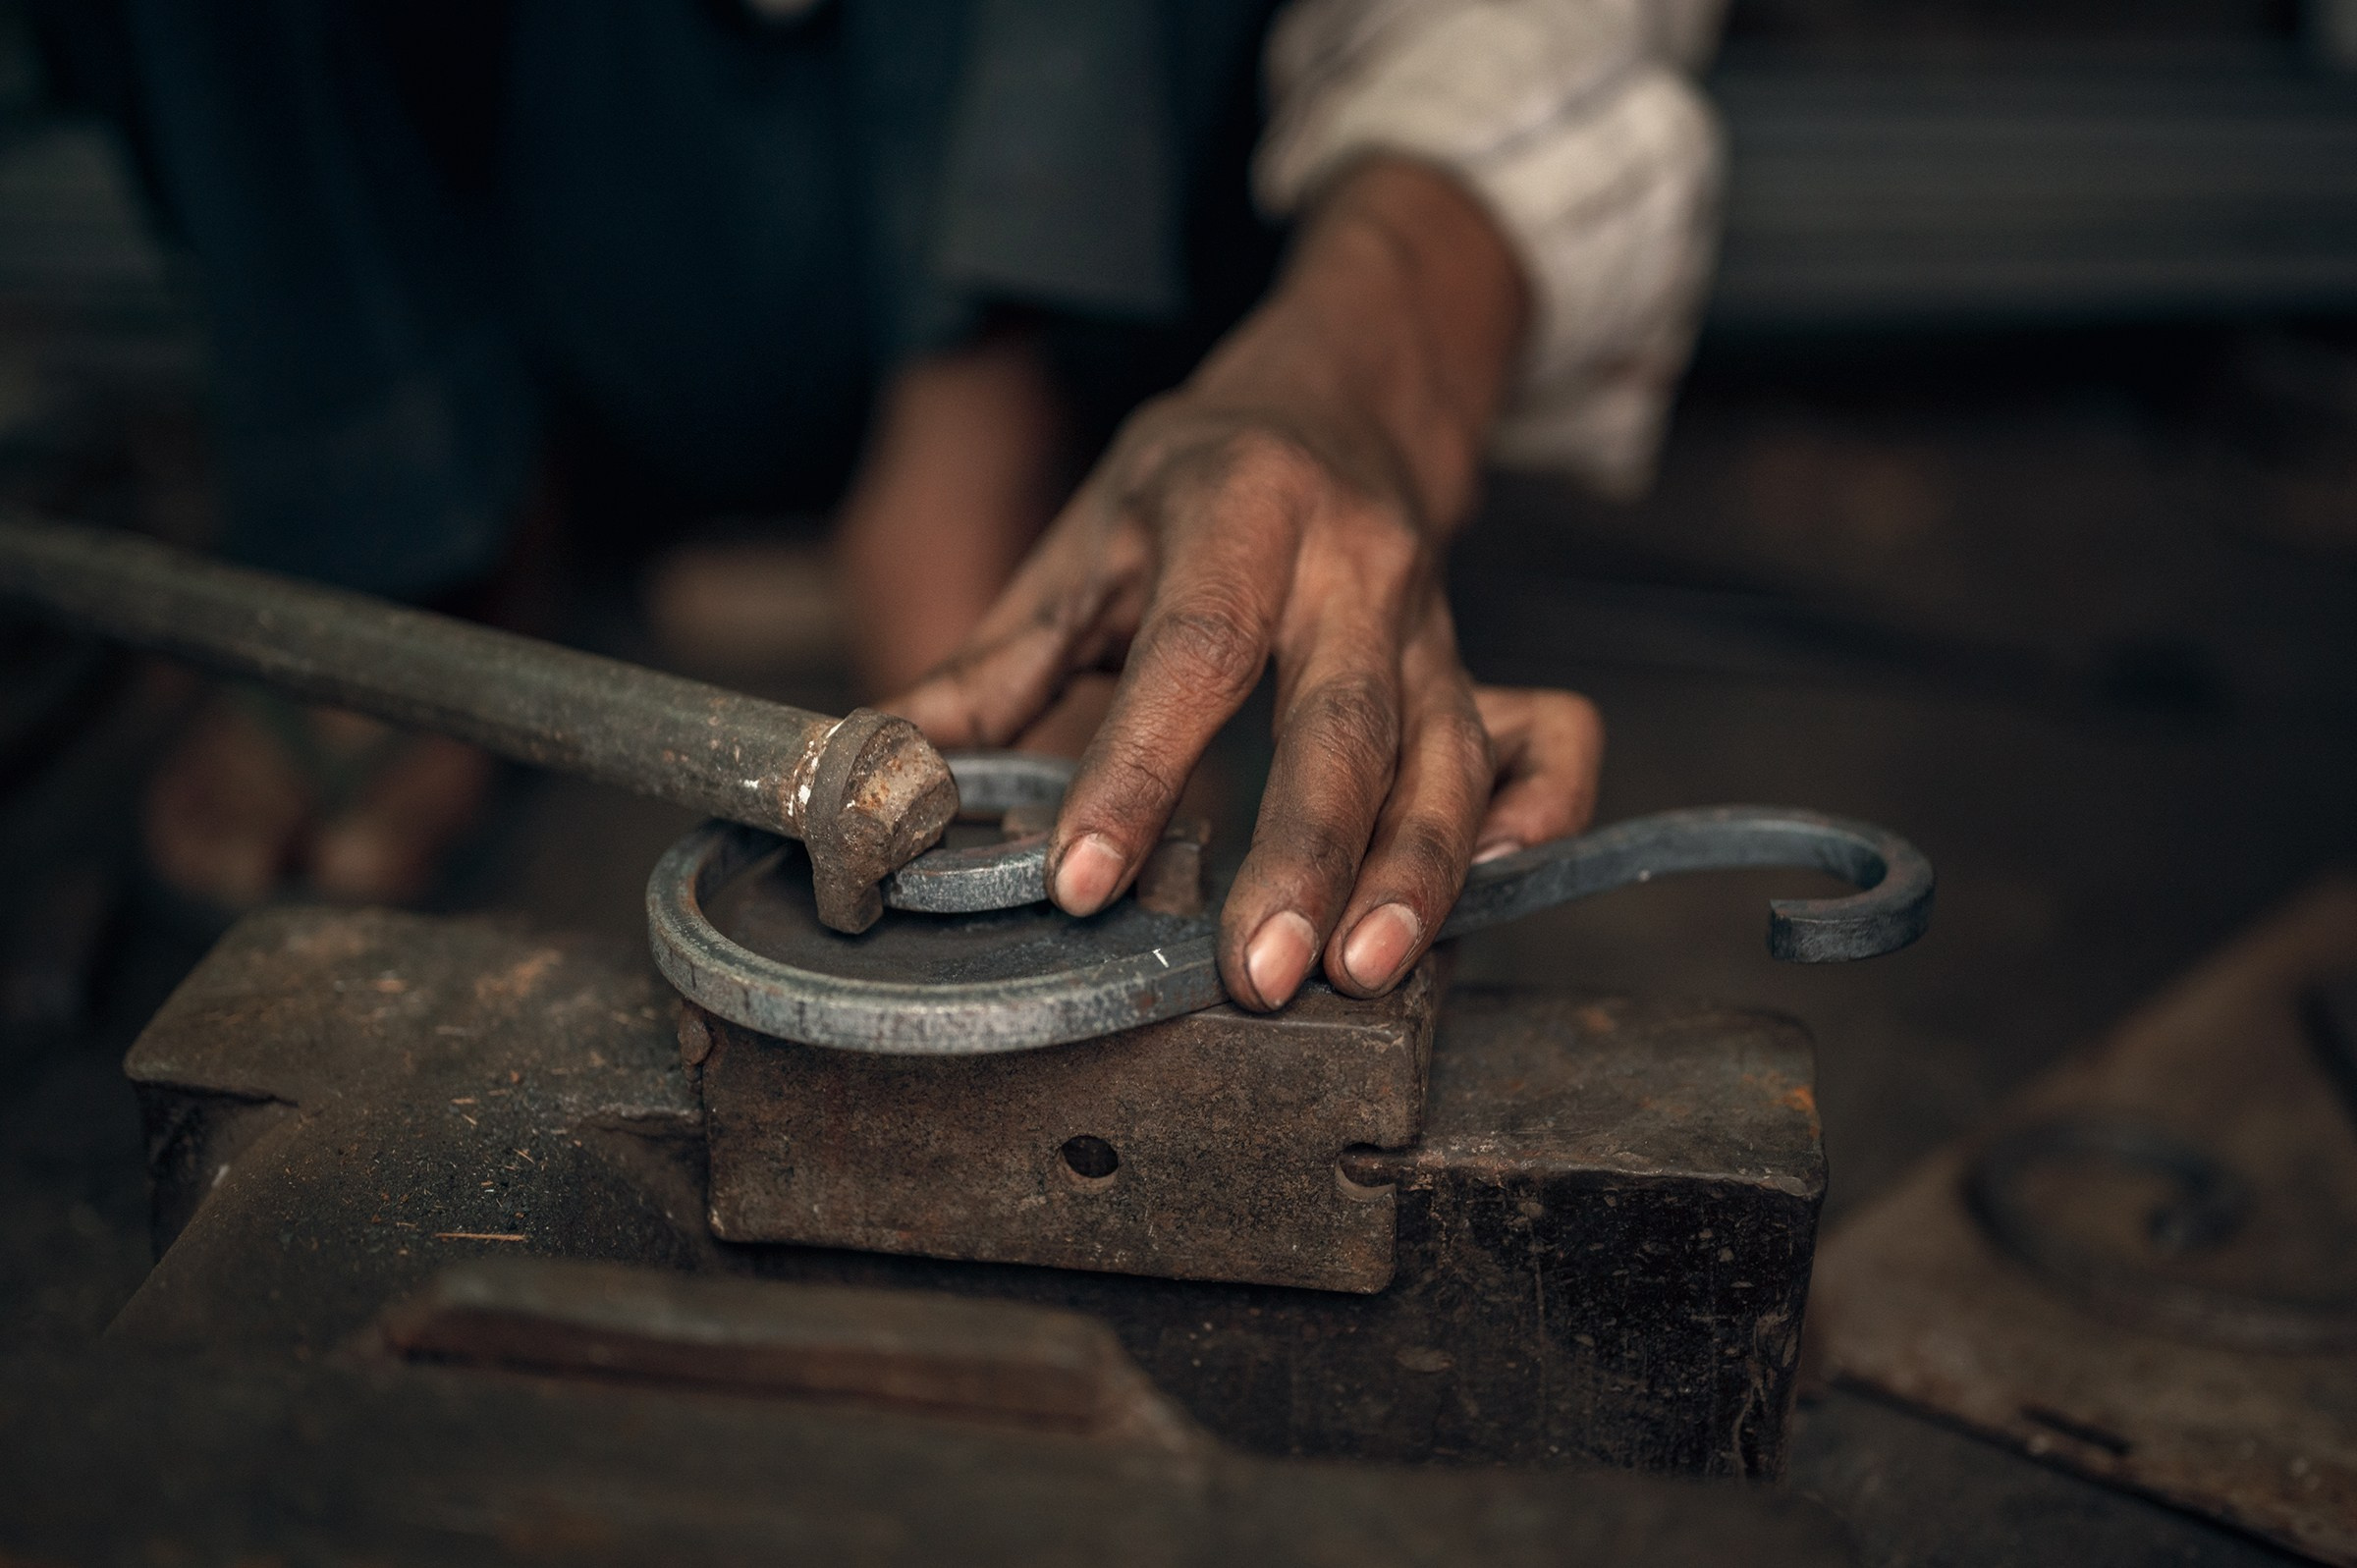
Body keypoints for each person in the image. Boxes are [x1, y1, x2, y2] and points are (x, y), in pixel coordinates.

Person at [77, 0, 1726, 1011]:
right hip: (537, 177)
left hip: (1133, 220)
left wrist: (1347, 381)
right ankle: (407, 494)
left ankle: (985, 438)